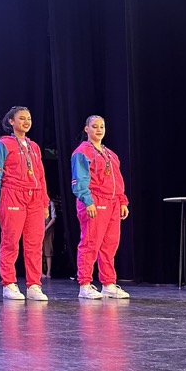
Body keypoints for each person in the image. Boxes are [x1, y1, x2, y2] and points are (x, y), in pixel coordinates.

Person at [0, 107, 50, 301]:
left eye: (29, 118)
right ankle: (9, 284)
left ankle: (34, 285)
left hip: (35, 197)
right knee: (11, 241)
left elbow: (41, 176)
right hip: (12, 195)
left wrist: (45, 202)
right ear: (11, 122)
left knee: (35, 244)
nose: (26, 122)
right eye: (21, 118)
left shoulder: (34, 147)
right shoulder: (3, 145)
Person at [71, 115, 130, 299]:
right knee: (90, 243)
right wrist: (88, 201)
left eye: (102, 126)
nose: (99, 130)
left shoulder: (111, 154)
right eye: (95, 126)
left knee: (110, 245)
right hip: (94, 200)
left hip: (112, 202)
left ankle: (108, 284)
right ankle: (85, 285)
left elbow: (118, 180)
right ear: (86, 129)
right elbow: (80, 179)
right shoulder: (82, 152)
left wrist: (122, 201)